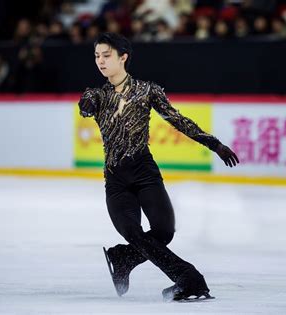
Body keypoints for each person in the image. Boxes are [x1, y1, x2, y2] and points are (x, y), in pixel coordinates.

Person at [78, 32, 239, 301]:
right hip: (116, 179)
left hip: (144, 172)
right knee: (134, 232)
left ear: (123, 57)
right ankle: (190, 279)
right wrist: (87, 104)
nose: (101, 61)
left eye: (106, 55)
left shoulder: (147, 90)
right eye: (96, 56)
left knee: (164, 232)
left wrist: (214, 144)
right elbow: (85, 107)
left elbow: (177, 119)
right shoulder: (96, 95)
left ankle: (122, 257)